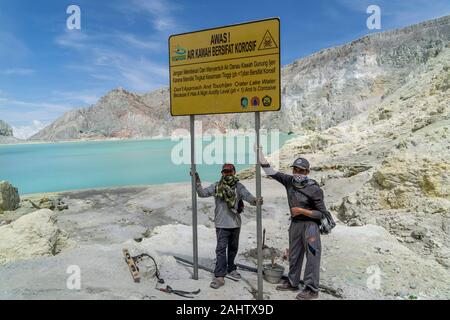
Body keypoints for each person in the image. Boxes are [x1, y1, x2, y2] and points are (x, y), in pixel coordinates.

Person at [258, 147, 327, 300]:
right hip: (295, 225)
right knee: (294, 256)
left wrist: (303, 211)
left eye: (301, 171)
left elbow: (321, 213)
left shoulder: (314, 189)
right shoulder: (289, 181)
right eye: (295, 169)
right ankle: (292, 282)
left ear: (307, 172)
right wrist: (261, 157)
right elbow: (271, 173)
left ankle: (311, 289)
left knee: (312, 257)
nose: (297, 173)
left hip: (310, 226)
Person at [193, 163, 263, 289]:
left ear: (234, 172)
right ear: (222, 173)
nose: (228, 174)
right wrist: (197, 181)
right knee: (220, 250)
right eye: (225, 172)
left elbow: (248, 197)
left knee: (233, 248)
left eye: (230, 172)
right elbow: (202, 193)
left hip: (235, 224)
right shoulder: (216, 186)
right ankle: (220, 276)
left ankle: (231, 268)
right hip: (221, 224)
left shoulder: (239, 187)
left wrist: (256, 201)